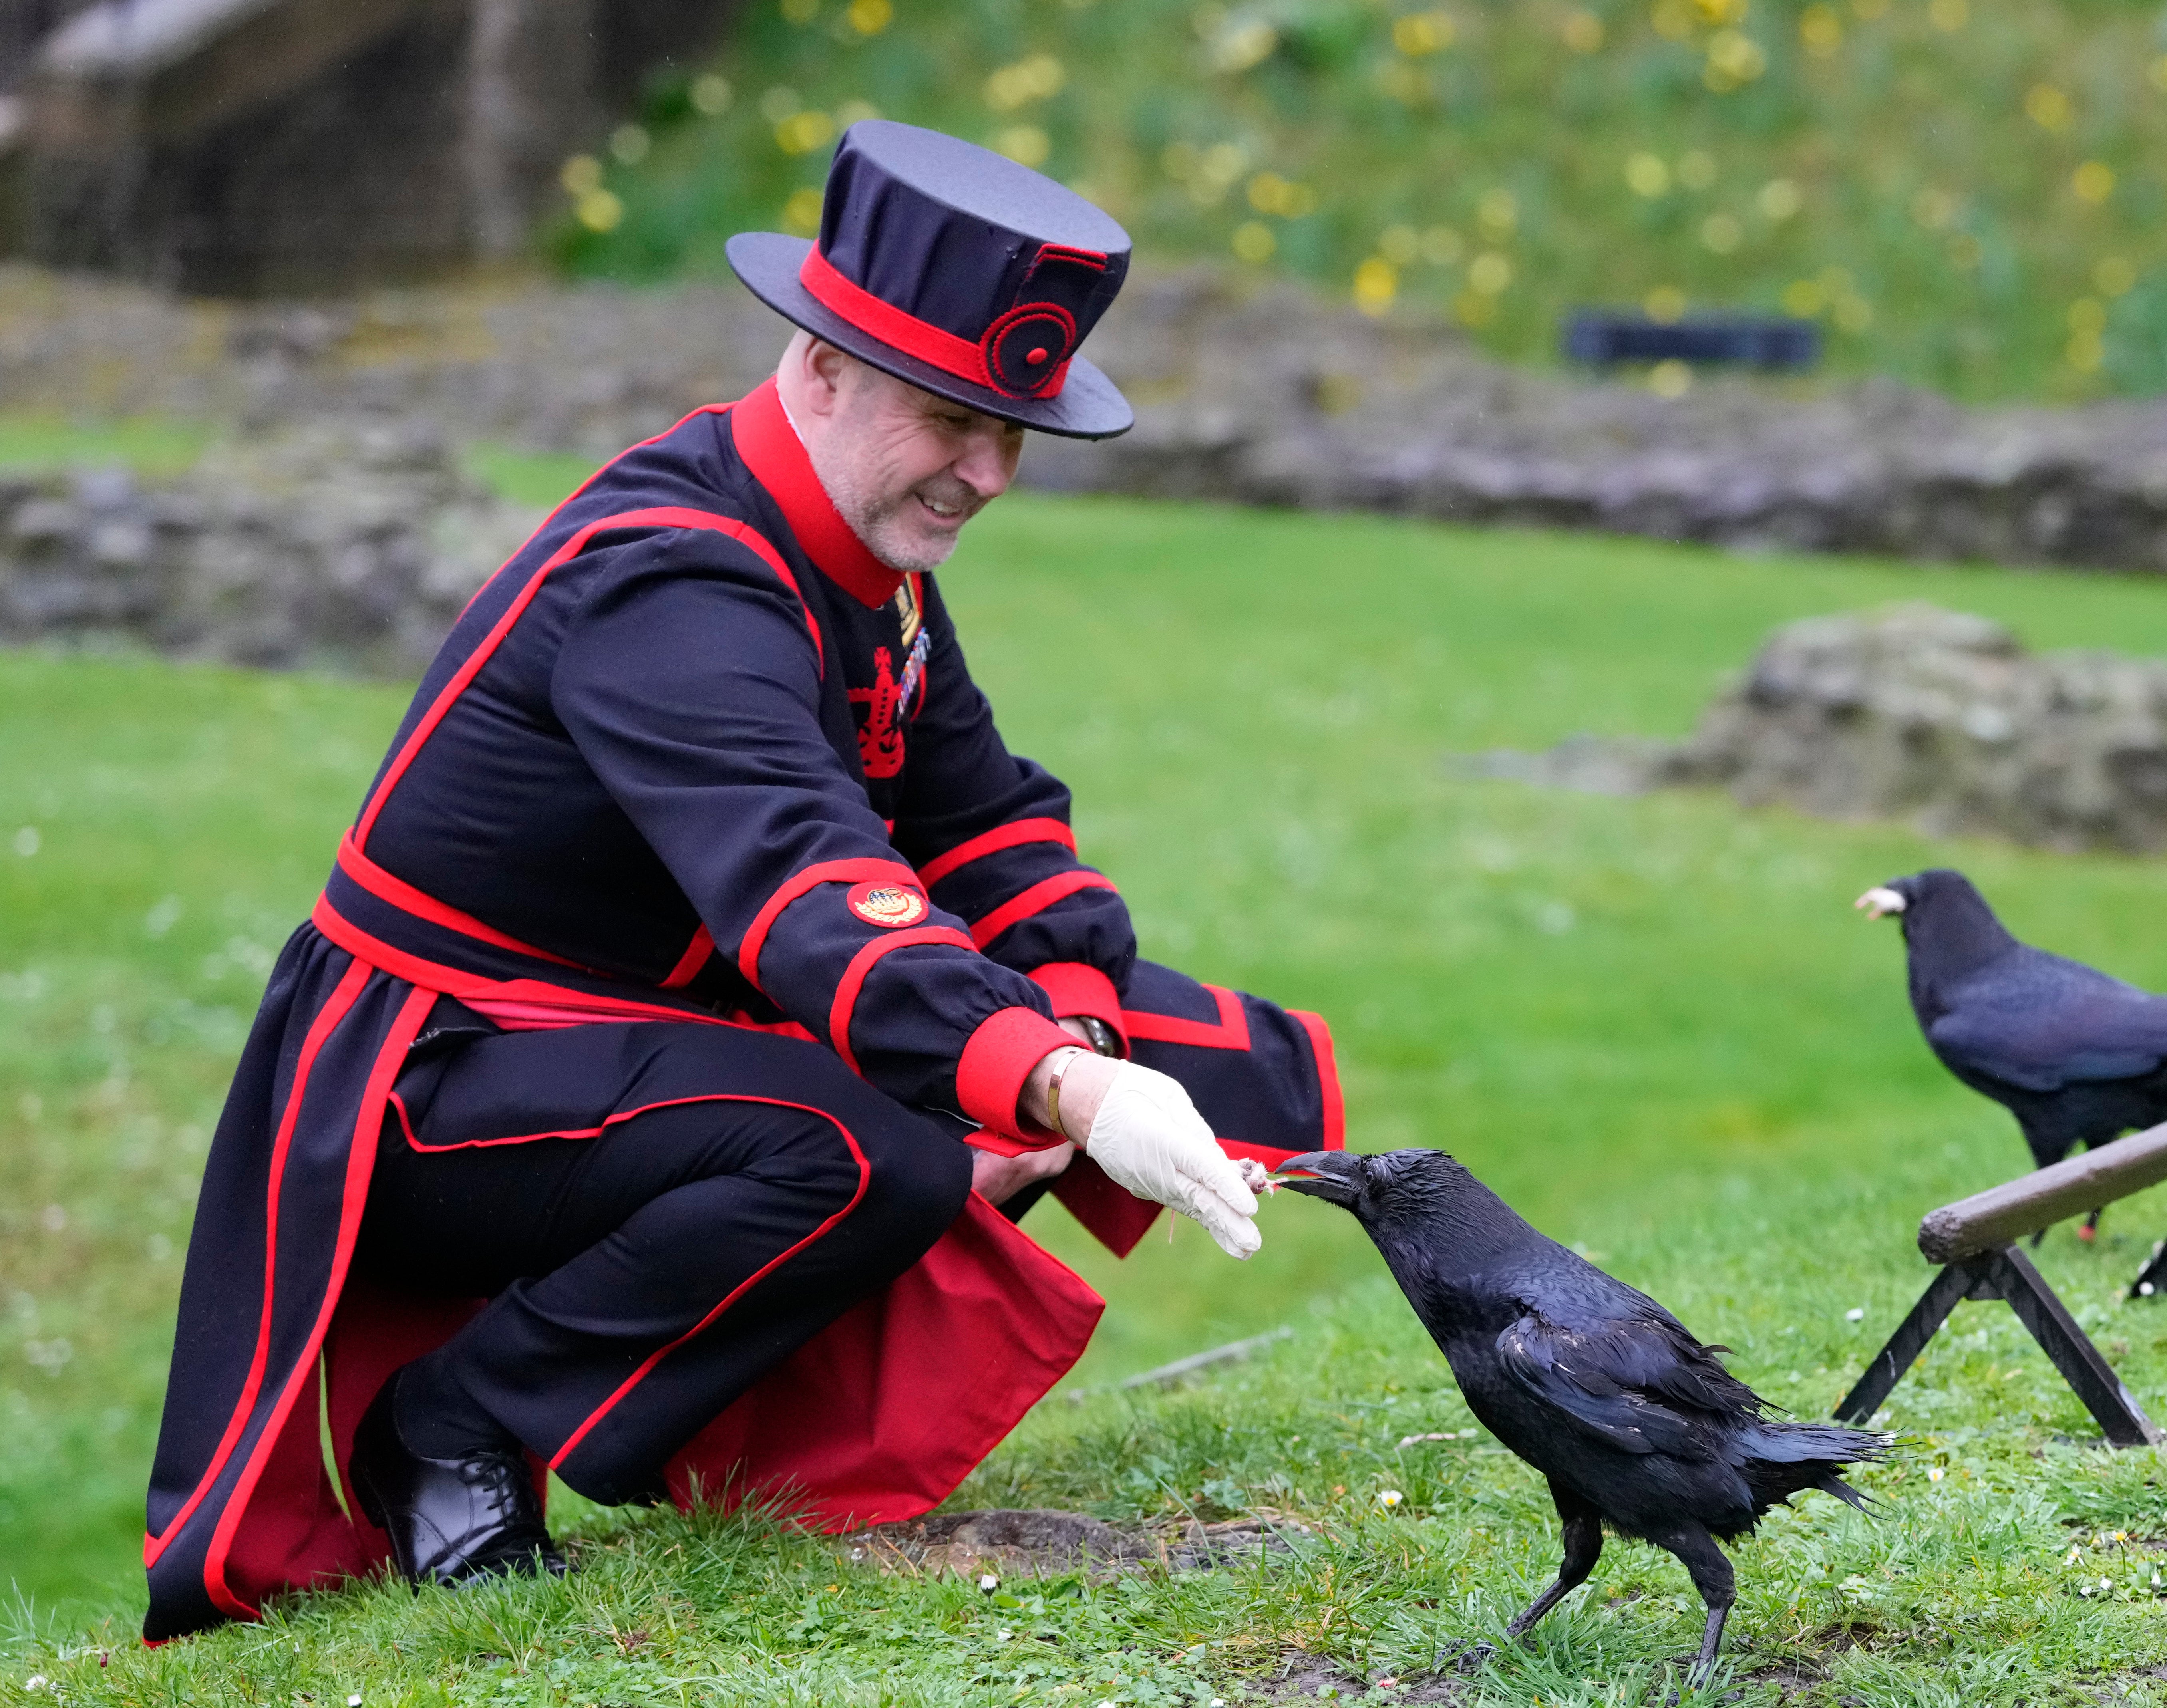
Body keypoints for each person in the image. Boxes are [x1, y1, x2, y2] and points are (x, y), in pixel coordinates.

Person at [139, 121, 1343, 1640]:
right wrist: (1056, 1095)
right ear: (822, 364)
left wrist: (1085, 1030)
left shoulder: (861, 554)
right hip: (432, 1082)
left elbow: (989, 826)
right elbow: (806, 885)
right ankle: (453, 1420)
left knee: (1206, 1053)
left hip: (619, 1039)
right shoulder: (675, 578)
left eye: (1013, 425)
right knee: (869, 1150)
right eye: (949, 413)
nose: (986, 470)